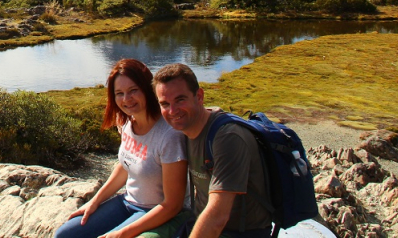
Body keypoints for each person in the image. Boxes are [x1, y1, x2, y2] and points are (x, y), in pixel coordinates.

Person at [55, 58, 191, 238]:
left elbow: (173, 205)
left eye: (133, 90)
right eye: (119, 93)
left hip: (154, 211)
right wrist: (94, 202)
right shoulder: (128, 123)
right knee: (64, 235)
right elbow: (125, 166)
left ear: (148, 89)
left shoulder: (169, 136)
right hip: (127, 202)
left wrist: (122, 233)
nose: (126, 99)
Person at [151, 63, 273, 238]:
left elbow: (217, 218)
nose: (172, 111)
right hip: (200, 222)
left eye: (180, 99)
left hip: (240, 232)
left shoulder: (227, 138)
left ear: (199, 96)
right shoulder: (184, 129)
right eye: (164, 103)